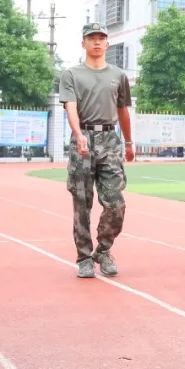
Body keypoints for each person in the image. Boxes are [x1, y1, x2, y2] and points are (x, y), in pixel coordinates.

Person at [59, 22, 134, 279]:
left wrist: (130, 142)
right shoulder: (71, 74)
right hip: (83, 140)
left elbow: (123, 111)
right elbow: (70, 106)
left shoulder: (118, 76)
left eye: (101, 38)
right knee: (82, 203)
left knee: (115, 203)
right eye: (92, 38)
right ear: (83, 43)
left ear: (107, 43)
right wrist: (78, 134)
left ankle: (103, 250)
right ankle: (84, 258)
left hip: (110, 140)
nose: (97, 42)